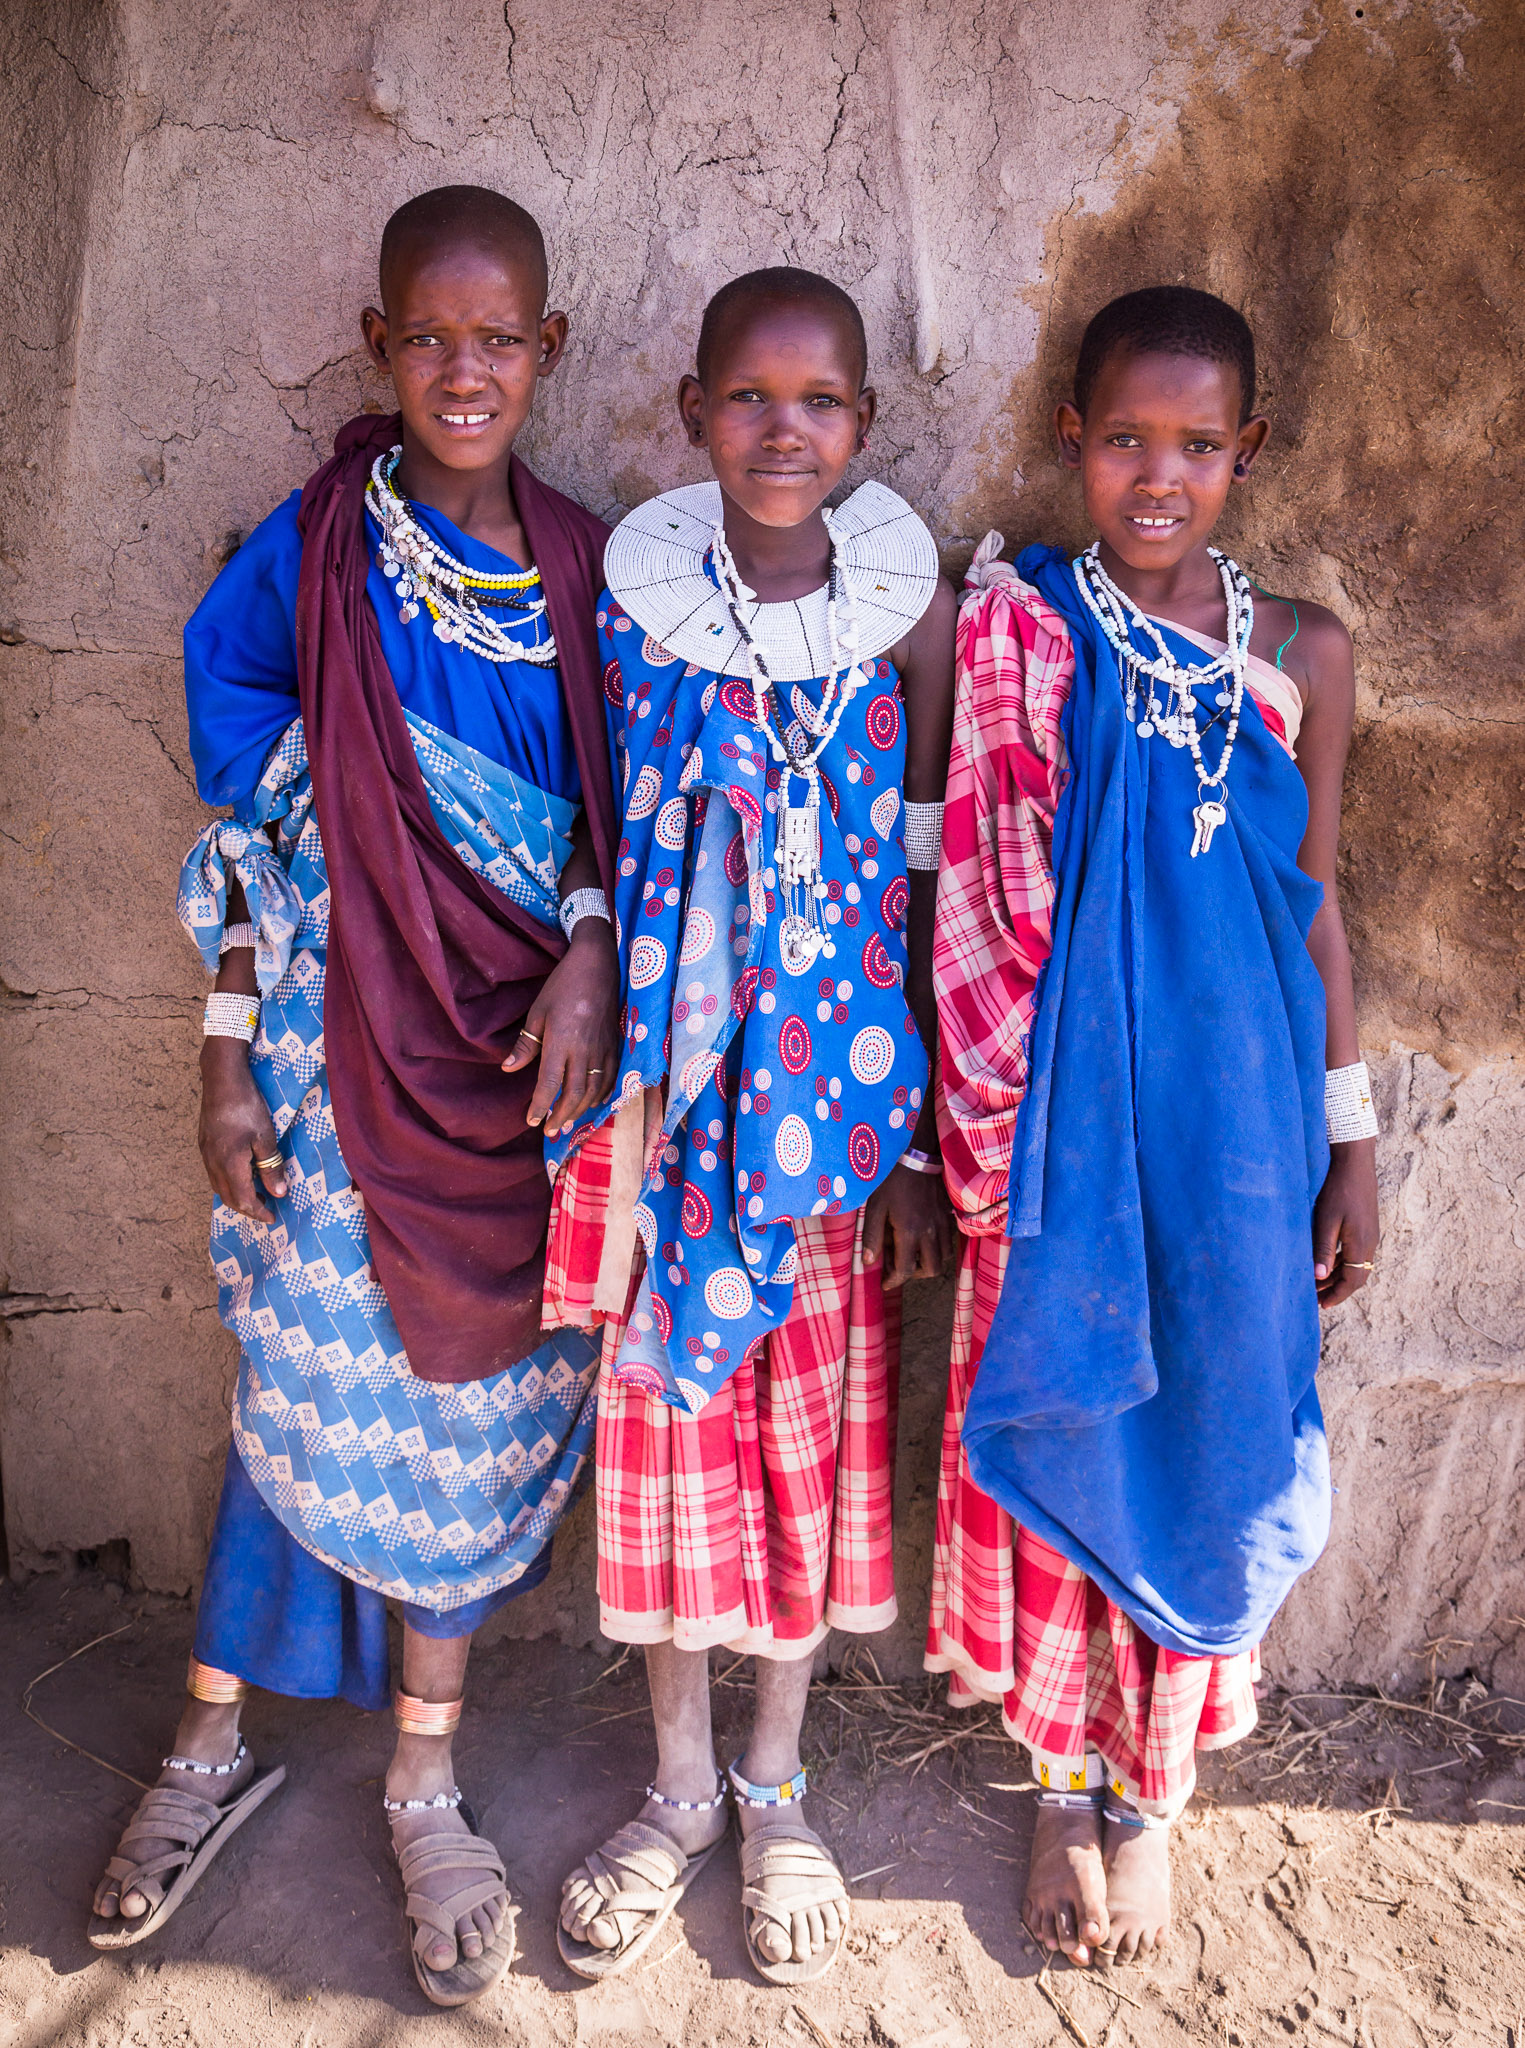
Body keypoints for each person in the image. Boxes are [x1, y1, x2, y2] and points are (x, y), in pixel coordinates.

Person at [88, 185, 621, 2008]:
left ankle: (424, 1778)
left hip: (513, 1091)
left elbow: (630, 826)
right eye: (426, 335)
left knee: (466, 1424)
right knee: (301, 1387)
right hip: (326, 1065)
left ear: (548, 352)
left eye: (497, 339)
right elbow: (247, 835)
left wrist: (588, 944)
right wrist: (225, 1051)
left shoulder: (585, 570)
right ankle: (206, 1746)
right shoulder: (309, 551)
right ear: (378, 344)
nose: (460, 369)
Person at [926, 286, 1379, 1967]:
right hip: (1064, 1140)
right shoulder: (1022, 630)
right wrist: (958, 1135)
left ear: (1246, 452)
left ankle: (1154, 1793)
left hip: (1246, 1143)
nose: (1157, 475)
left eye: (1197, 444)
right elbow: (963, 894)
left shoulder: (1301, 656)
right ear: (1072, 439)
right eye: (1125, 438)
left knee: (1208, 1438)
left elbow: (1316, 912)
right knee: (1072, 1411)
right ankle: (1056, 1776)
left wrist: (1355, 1137)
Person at [550, 267, 956, 1985]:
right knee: (665, 1464)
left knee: (803, 1463)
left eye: (821, 405)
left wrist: (922, 1145)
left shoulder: (905, 623)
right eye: (748, 400)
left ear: (863, 430)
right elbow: (593, 814)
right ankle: (676, 1793)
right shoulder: (637, 617)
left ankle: (776, 1785)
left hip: (830, 1131)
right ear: (690, 412)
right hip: (668, 1115)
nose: (782, 432)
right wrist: (584, 945)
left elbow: (933, 881)